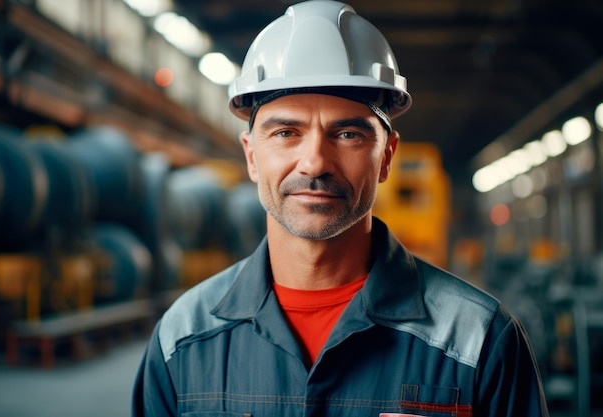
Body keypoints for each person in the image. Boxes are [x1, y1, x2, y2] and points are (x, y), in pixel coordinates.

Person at [132, 1, 549, 416]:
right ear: (252, 156)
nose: (314, 162)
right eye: (286, 132)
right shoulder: (183, 340)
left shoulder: (479, 341)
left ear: (386, 156)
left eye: (348, 133)